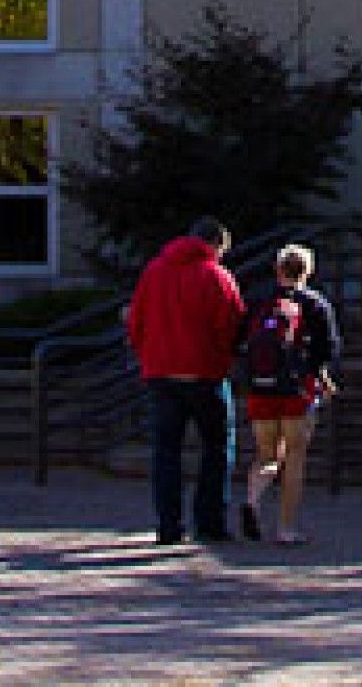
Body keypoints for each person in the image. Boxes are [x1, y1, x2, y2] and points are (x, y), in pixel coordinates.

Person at [125, 216, 245, 544]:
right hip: (206, 374)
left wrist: (148, 356)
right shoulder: (217, 276)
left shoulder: (154, 272)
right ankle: (210, 522)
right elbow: (230, 325)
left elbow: (136, 321)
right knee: (217, 448)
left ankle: (169, 525)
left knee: (166, 451)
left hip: (162, 373)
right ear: (216, 245)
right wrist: (225, 360)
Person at [238, 241, 343, 545]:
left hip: (261, 387)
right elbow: (328, 348)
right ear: (308, 271)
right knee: (294, 458)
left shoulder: (259, 300)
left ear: (277, 269)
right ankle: (286, 529)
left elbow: (240, 340)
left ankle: (253, 500)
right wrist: (321, 376)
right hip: (298, 390)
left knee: (267, 455)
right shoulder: (315, 304)